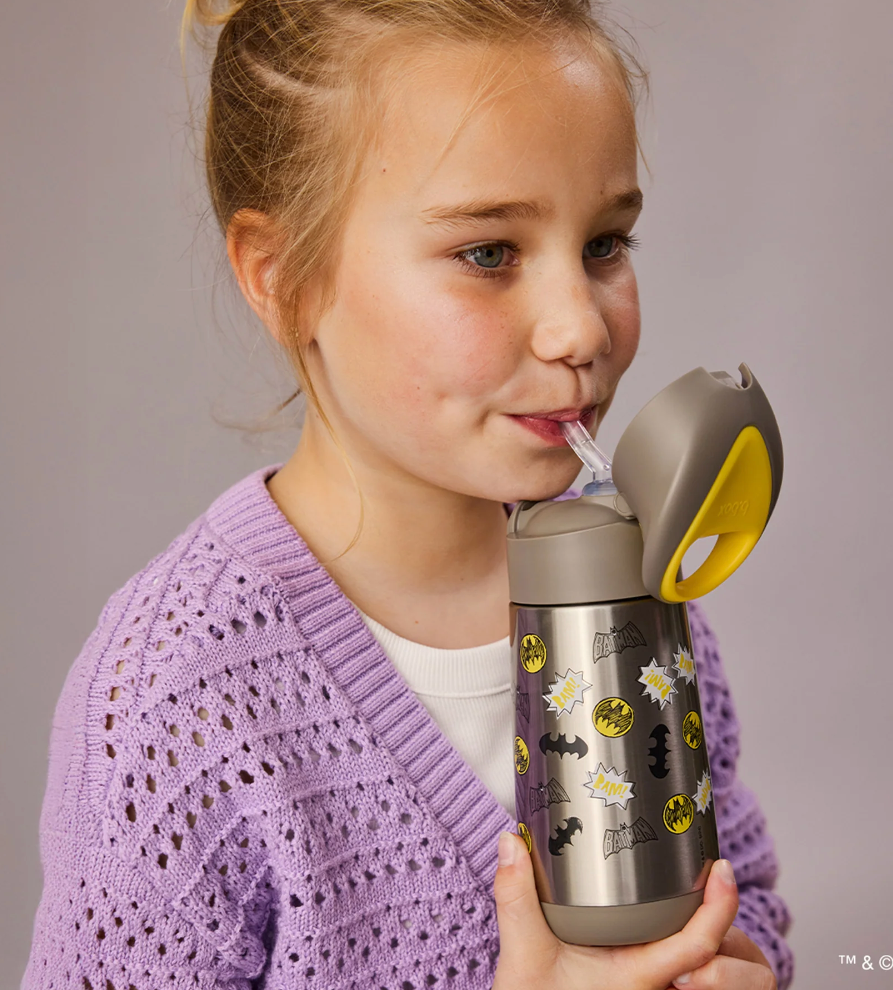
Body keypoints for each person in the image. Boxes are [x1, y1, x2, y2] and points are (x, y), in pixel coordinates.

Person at [20, 1, 793, 988]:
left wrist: (740, 963)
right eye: (488, 253)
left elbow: (744, 896)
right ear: (286, 279)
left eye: (605, 244)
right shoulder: (177, 702)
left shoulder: (640, 591)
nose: (581, 330)